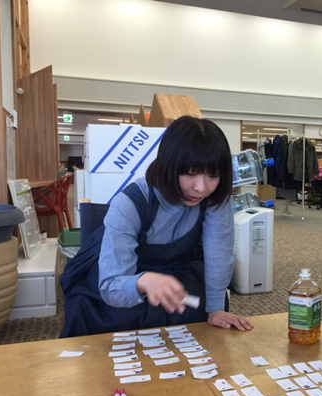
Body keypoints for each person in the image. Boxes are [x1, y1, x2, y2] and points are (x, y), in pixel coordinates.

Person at [60, 115, 252, 337]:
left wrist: (216, 309)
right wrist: (143, 281)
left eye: (213, 176)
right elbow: (112, 285)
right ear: (168, 165)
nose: (201, 188)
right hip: (122, 272)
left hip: (176, 266)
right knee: (118, 316)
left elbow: (219, 253)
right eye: (190, 174)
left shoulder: (214, 197)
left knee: (199, 307)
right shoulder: (129, 203)